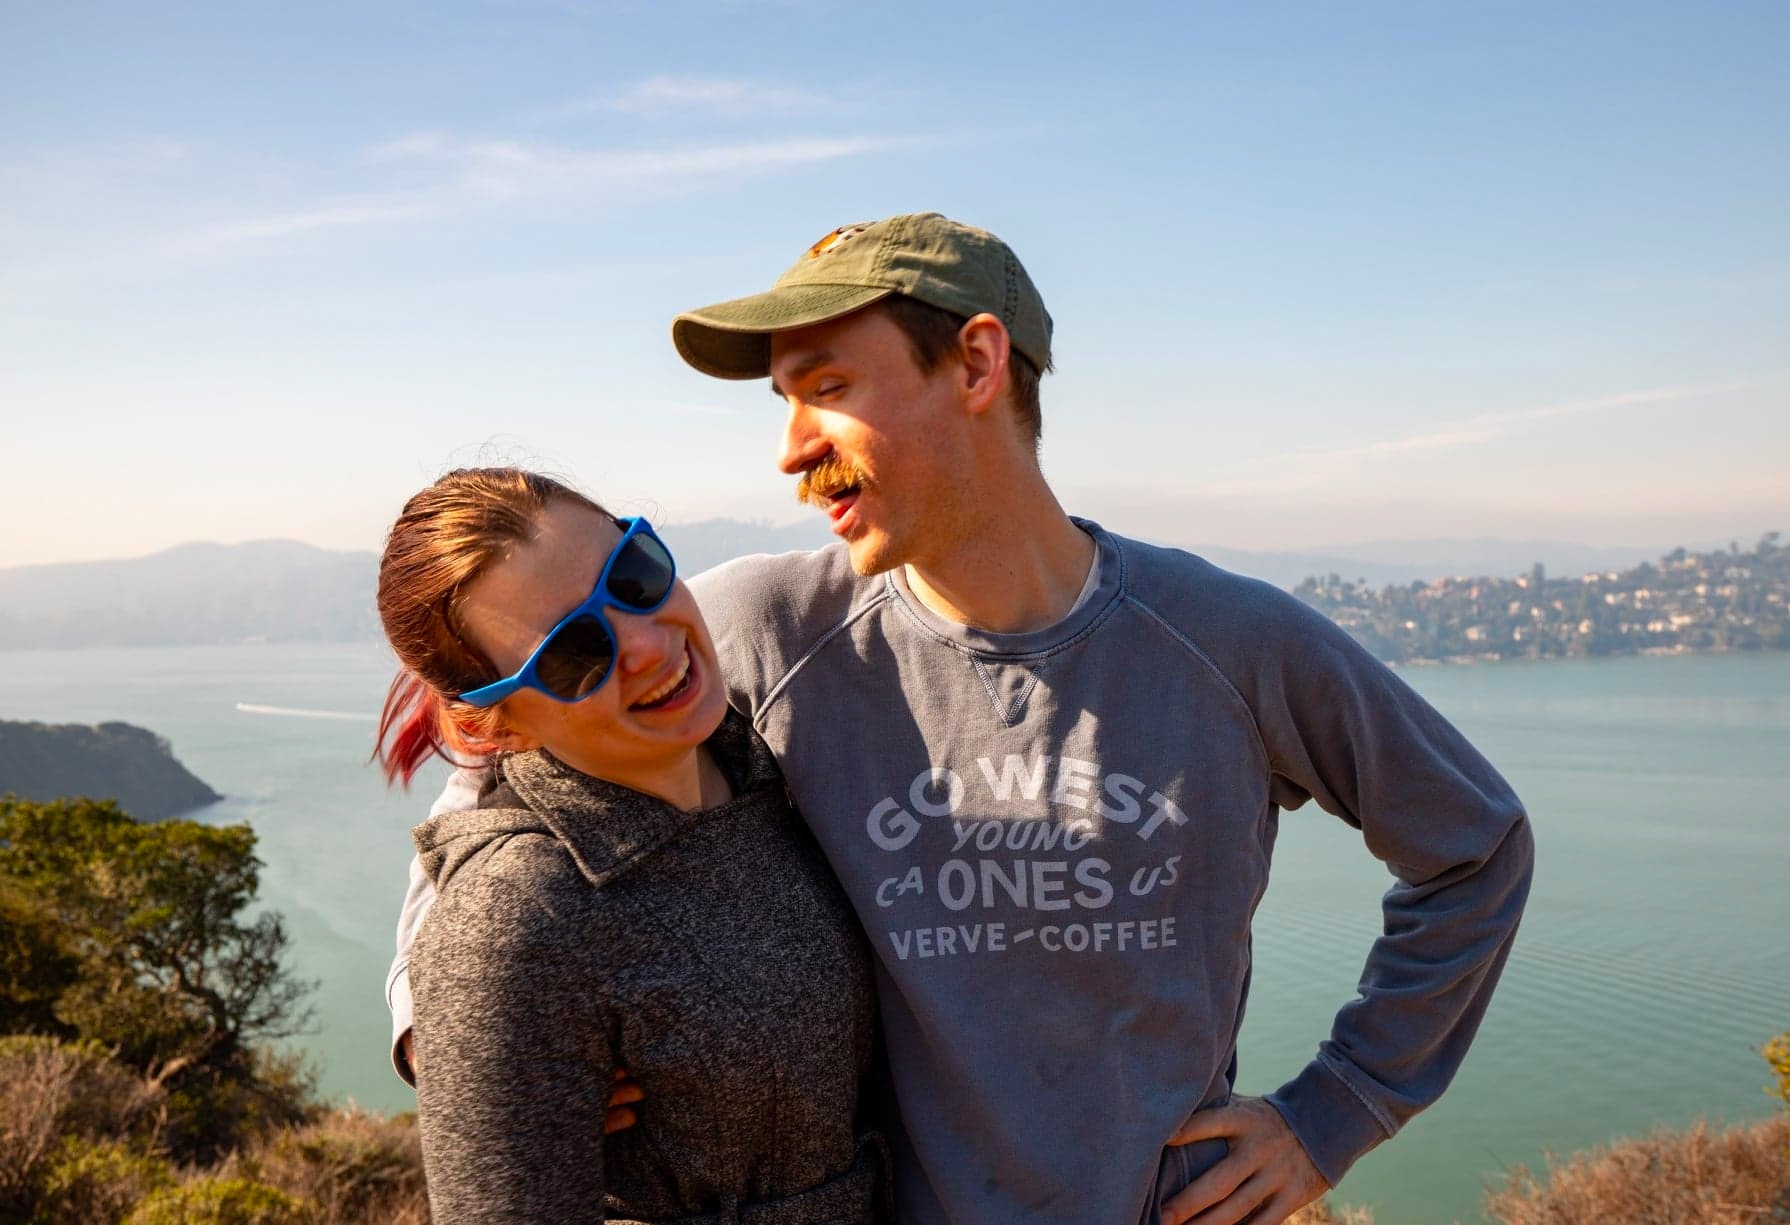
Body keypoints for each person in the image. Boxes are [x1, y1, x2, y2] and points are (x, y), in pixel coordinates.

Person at [387, 213, 1534, 1225]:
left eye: (827, 388)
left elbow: (1474, 844)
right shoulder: (761, 628)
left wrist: (1334, 1110)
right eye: (782, 403)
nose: (789, 448)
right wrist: (453, 1042)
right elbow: (486, 804)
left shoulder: (1227, 641)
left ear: (978, 362)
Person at [373, 468, 885, 1225]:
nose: (645, 644)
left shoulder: (769, 773)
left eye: (634, 575)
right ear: (501, 724)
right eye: (573, 652)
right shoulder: (519, 914)